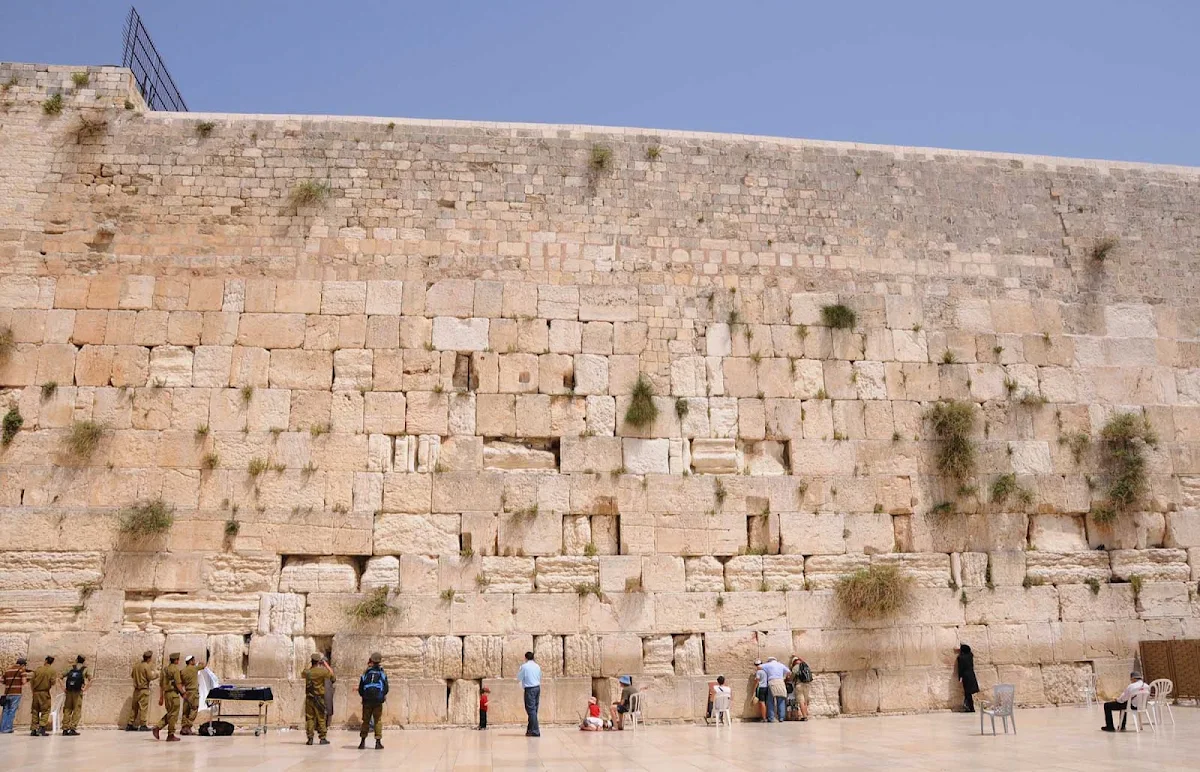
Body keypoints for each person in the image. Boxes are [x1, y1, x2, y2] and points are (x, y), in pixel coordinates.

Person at [302, 652, 335, 746]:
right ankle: (323, 737)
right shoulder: (323, 672)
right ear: (319, 662)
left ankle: (310, 738)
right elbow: (333, 677)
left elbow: (304, 673)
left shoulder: (307, 672)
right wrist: (326, 665)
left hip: (309, 698)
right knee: (321, 718)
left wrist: (311, 666)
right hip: (319, 698)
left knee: (309, 718)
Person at [356, 652, 387, 750]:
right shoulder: (382, 673)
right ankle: (378, 742)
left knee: (365, 720)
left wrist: (364, 697)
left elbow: (361, 689)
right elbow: (386, 688)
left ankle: (362, 742)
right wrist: (382, 696)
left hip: (367, 701)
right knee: (377, 720)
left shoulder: (365, 673)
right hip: (378, 701)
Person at [152, 652, 184, 741]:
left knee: (170, 713)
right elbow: (178, 684)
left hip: (166, 695)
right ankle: (170, 734)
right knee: (173, 715)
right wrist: (183, 693)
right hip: (173, 694)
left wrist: (161, 697)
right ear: (176, 660)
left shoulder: (164, 670)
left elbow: (161, 685)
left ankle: (157, 727)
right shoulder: (175, 670)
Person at [61, 655, 91, 736]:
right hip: (78, 692)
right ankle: (72, 728)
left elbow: (60, 677)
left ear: (77, 660)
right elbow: (91, 679)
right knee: (77, 710)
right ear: (83, 661)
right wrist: (85, 689)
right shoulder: (85, 669)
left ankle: (64, 728)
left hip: (69, 691)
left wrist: (63, 688)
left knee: (67, 709)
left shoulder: (70, 668)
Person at [126, 650, 155, 731]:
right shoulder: (146, 666)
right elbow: (150, 677)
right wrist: (156, 674)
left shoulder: (136, 666)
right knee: (143, 708)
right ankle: (143, 725)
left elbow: (132, 675)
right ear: (149, 658)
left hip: (136, 690)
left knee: (134, 708)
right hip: (143, 689)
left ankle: (130, 724)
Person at [29, 655, 58, 737]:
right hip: (44, 693)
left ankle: (33, 729)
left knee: (35, 710)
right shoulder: (52, 671)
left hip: (36, 693)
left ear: (45, 661)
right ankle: (41, 727)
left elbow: (31, 681)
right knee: (46, 710)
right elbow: (53, 682)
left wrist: (33, 691)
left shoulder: (38, 669)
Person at [1, 656, 29, 734]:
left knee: (6, 710)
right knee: (12, 711)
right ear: (22, 664)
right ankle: (8, 728)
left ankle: (2, 728)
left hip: (7, 693)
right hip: (16, 693)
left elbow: (2, 680)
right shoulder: (21, 670)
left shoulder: (8, 670)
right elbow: (24, 682)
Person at [517, 651, 542, 737]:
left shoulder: (524, 666)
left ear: (526, 658)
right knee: (534, 710)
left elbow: (519, 678)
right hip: (537, 688)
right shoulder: (537, 666)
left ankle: (535, 731)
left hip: (530, 689)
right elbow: (539, 677)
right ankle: (530, 730)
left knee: (531, 710)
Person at [762, 657, 789, 723]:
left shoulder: (768, 664)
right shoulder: (781, 665)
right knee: (781, 700)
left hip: (772, 682)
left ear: (769, 661)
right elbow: (788, 672)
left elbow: (759, 667)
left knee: (770, 701)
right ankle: (781, 718)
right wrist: (784, 677)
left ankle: (771, 718)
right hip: (781, 682)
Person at [179, 655, 201, 735]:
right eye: (194, 660)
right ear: (191, 661)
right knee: (194, 709)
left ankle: (183, 727)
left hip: (186, 692)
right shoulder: (194, 668)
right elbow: (203, 666)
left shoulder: (183, 670)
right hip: (193, 693)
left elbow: (180, 682)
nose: (194, 661)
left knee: (185, 711)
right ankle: (187, 726)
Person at [956, 645, 980, 713]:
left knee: (967, 693)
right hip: (971, 675)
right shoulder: (970, 656)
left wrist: (960, 677)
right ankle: (969, 707)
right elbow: (970, 652)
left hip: (965, 676)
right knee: (968, 693)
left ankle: (971, 708)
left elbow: (960, 668)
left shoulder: (960, 658)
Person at [790, 656, 812, 721]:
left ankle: (804, 716)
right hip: (807, 685)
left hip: (799, 685)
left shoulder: (795, 667)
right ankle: (806, 715)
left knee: (801, 702)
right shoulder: (806, 666)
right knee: (805, 701)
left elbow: (792, 677)